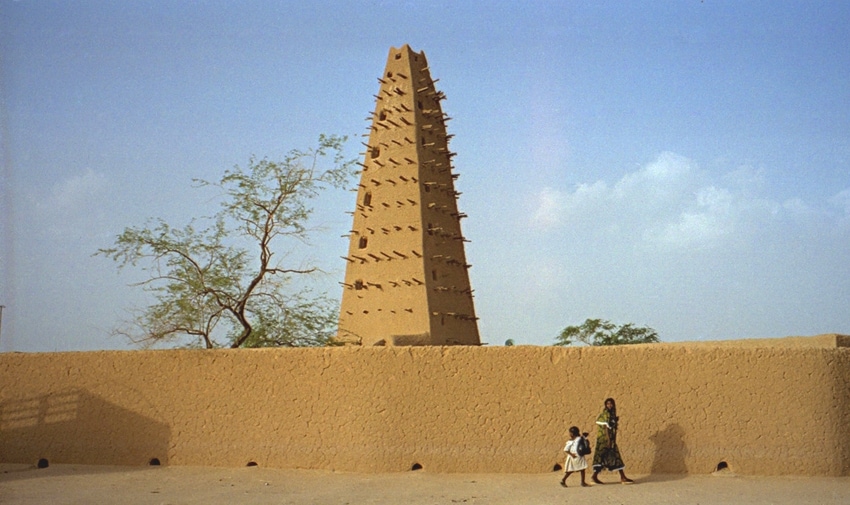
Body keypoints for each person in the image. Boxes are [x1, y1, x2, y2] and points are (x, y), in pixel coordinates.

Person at [591, 397, 634, 484]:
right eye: (608, 404)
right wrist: (608, 441)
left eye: (611, 404)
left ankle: (595, 476)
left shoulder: (612, 414)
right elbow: (605, 428)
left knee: (609, 458)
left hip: (610, 440)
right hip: (605, 441)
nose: (609, 405)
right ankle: (622, 477)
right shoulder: (605, 414)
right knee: (607, 457)